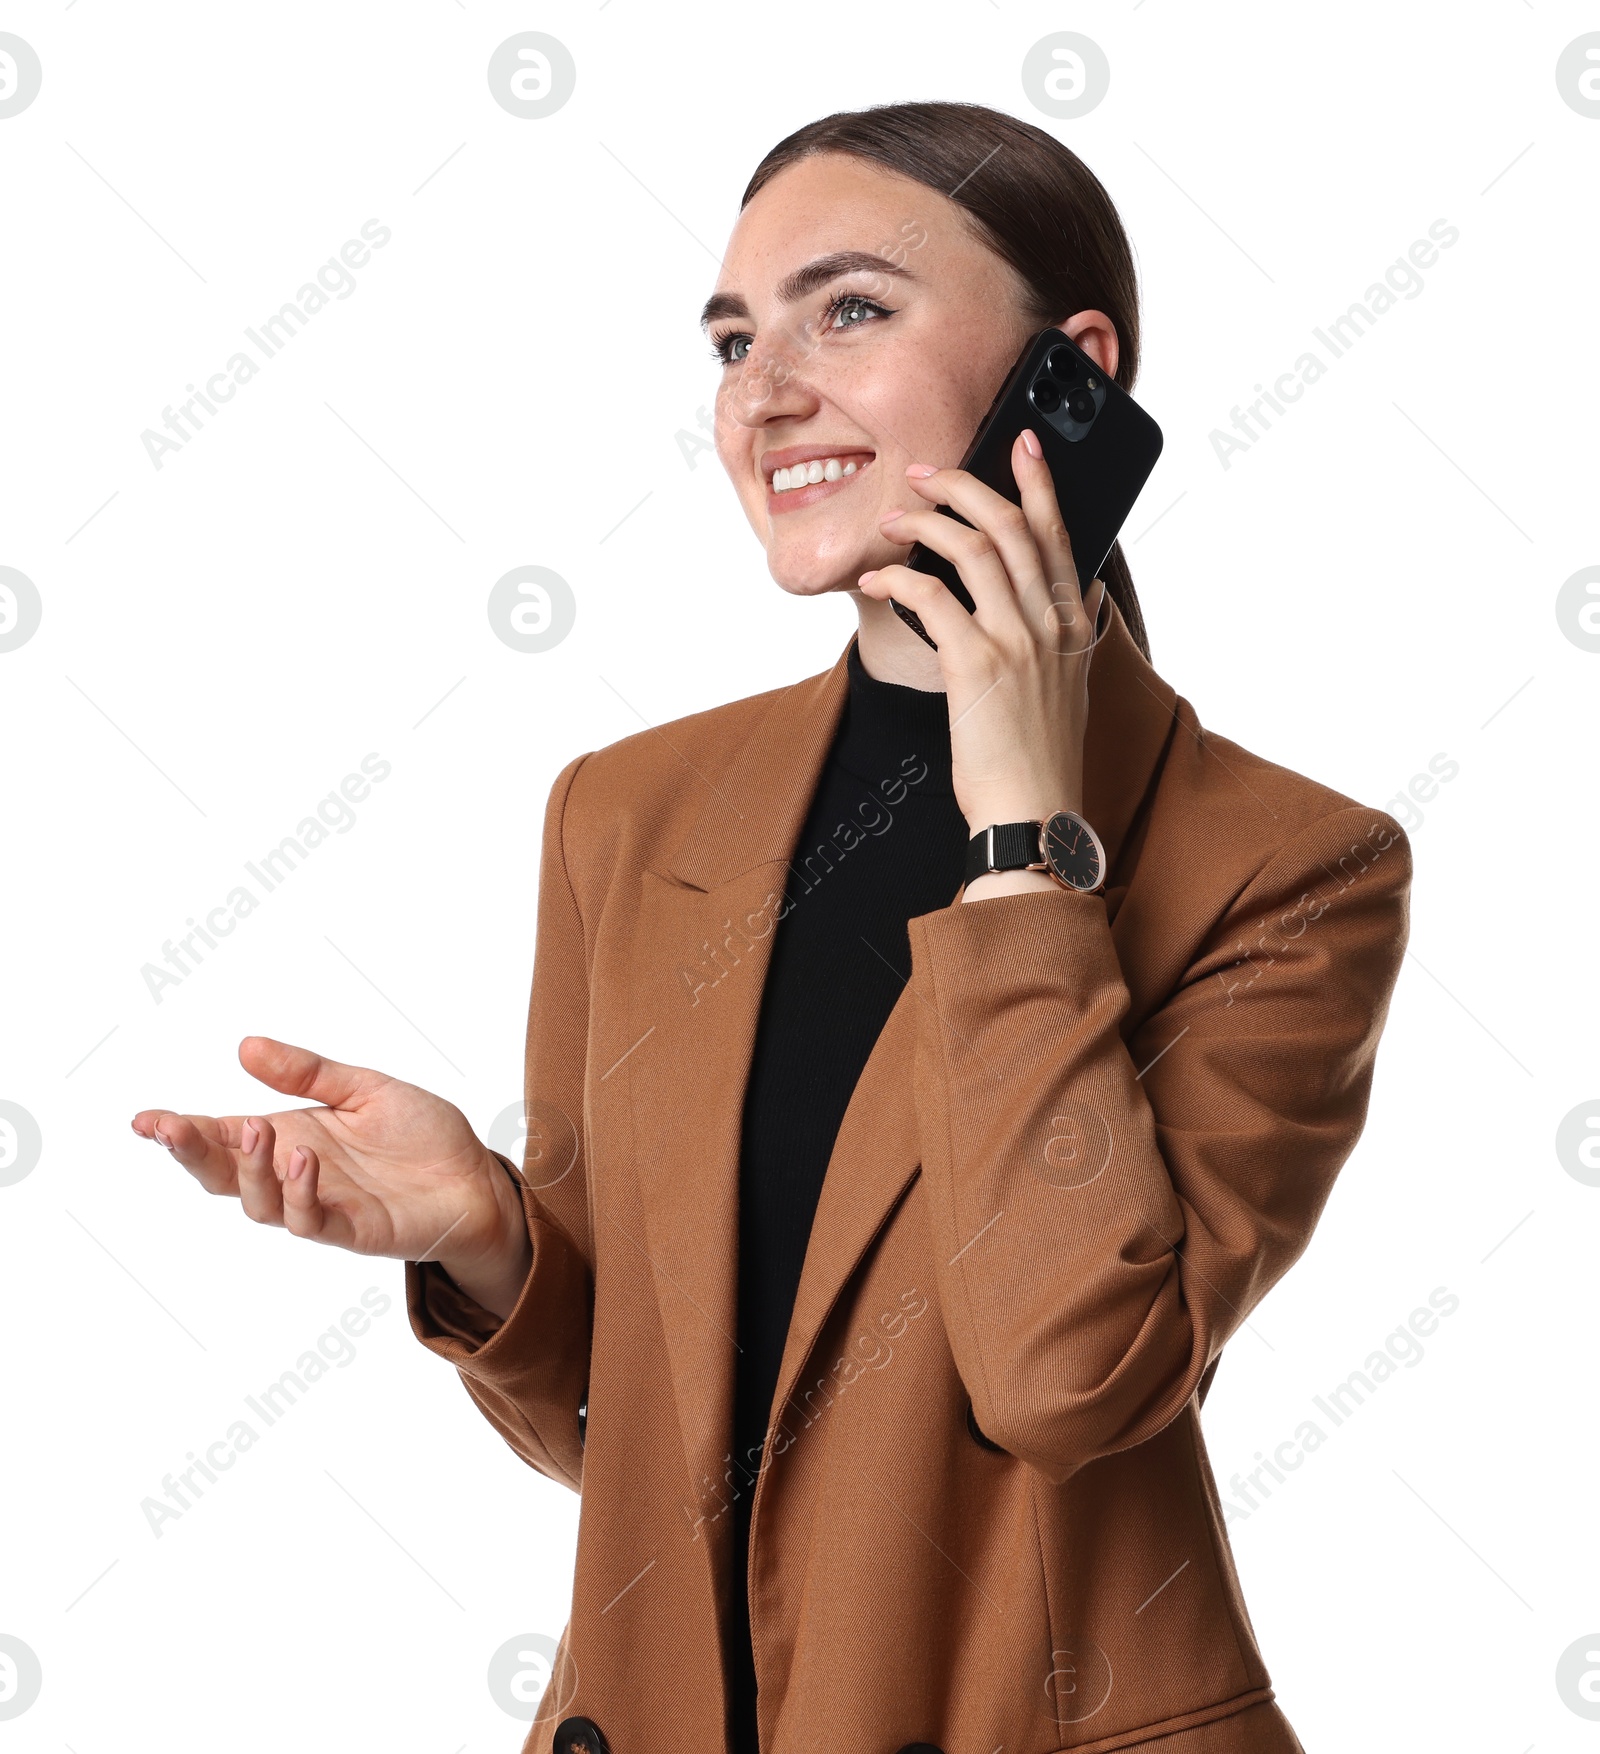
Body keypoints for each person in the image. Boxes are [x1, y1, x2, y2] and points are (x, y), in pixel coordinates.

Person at [134, 102, 1411, 1754]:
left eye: (851, 310)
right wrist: (492, 1241)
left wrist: (1022, 835)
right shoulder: (629, 811)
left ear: (1072, 370)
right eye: (737, 337)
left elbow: (1066, 1378)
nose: (764, 391)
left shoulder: (1290, 867)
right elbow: (640, 1439)